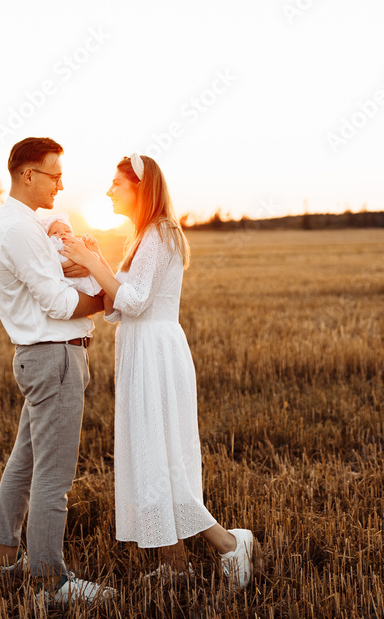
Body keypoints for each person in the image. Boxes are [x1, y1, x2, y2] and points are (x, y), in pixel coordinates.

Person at [59, 153, 255, 589]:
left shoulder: (161, 233)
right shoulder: (142, 236)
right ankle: (178, 566)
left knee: (162, 459)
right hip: (141, 351)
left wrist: (94, 265)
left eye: (117, 183)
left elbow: (134, 302)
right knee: (148, 457)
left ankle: (229, 544)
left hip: (157, 354)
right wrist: (96, 261)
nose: (109, 190)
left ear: (140, 188)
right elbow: (118, 302)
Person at [0, 137, 116, 606]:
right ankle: (50, 582)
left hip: (40, 357)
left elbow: (43, 219)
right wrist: (107, 296)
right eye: (54, 175)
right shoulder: (19, 231)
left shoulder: (22, 220)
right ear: (27, 175)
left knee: (25, 461)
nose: (61, 184)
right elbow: (60, 303)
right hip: (55, 356)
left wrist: (57, 222)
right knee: (53, 478)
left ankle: (3, 561)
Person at [41, 212, 103, 297]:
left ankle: (110, 310)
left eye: (67, 231)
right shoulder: (51, 248)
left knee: (105, 293)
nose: (63, 233)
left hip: (85, 281)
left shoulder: (77, 244)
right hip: (67, 286)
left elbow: (93, 256)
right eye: (55, 232)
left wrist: (88, 244)